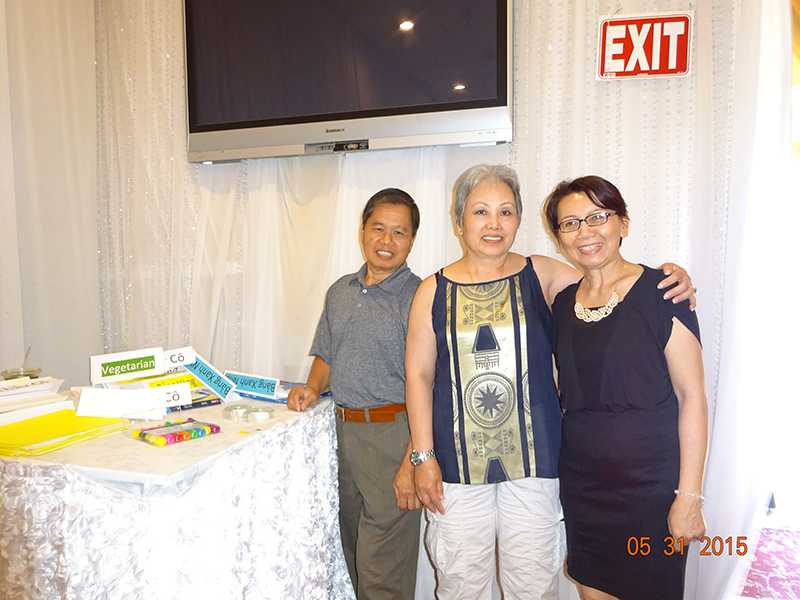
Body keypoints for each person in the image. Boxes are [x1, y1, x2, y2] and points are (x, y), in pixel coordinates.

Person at [404, 164, 696, 600]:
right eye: (481, 211)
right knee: (460, 582)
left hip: (537, 464)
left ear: (519, 220)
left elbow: (611, 281)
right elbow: (420, 375)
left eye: (506, 212)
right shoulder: (432, 290)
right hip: (456, 466)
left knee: (534, 585)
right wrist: (422, 455)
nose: (494, 223)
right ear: (459, 220)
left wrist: (671, 277)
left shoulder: (540, 274)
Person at [543, 176, 707, 600]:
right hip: (583, 486)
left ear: (624, 223)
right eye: (570, 223)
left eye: (598, 217)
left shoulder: (663, 292)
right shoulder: (562, 305)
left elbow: (692, 397)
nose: (585, 232)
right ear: (559, 238)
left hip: (652, 490)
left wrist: (689, 496)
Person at [287, 188, 422, 600]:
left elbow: (430, 384)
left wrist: (414, 460)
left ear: (412, 239)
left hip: (394, 435)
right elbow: (328, 355)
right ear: (362, 230)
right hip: (341, 433)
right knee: (350, 553)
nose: (387, 240)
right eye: (378, 228)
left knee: (383, 568)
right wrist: (312, 388)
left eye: (399, 232)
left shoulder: (421, 296)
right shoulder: (340, 291)